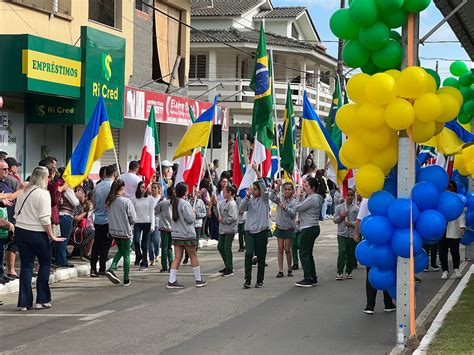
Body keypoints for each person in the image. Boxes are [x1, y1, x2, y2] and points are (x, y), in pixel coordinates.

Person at [14, 166, 65, 310]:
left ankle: (24, 302)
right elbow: (45, 219)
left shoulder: (23, 191)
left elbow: (16, 213)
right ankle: (42, 299)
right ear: (43, 178)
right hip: (37, 233)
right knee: (45, 263)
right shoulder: (43, 194)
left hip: (21, 231)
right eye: (48, 176)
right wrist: (52, 235)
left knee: (26, 265)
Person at [354, 198, 396, 314]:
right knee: (387, 270)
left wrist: (356, 234)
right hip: (385, 241)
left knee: (371, 273)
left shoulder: (366, 200)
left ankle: (370, 305)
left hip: (370, 241)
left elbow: (359, 220)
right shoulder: (388, 197)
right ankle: (388, 303)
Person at [166, 182, 207, 289]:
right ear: (185, 192)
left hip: (176, 234)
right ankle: (198, 280)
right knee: (193, 256)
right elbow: (190, 219)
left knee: (177, 257)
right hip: (187, 234)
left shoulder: (173, 202)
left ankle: (171, 280)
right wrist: (193, 212)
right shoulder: (185, 203)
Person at [240, 164, 271, 289]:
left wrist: (257, 171)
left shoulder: (264, 198)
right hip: (250, 231)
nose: (253, 191)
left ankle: (260, 280)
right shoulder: (250, 199)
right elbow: (241, 209)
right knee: (248, 254)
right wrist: (247, 196)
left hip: (262, 231)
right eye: (252, 189)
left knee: (261, 256)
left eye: (255, 189)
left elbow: (263, 187)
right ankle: (247, 280)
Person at [105, 179, 137, 286]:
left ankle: (112, 268)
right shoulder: (126, 201)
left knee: (121, 251)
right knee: (126, 254)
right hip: (125, 231)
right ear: (122, 188)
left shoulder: (109, 201)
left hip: (114, 230)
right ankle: (126, 278)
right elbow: (133, 218)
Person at [293, 177, 323, 287]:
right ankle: (312, 276)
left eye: (306, 187)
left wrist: (297, 196)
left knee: (303, 253)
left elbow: (297, 208)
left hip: (309, 227)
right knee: (308, 253)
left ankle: (308, 277)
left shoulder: (313, 198)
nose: (304, 188)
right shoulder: (312, 197)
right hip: (312, 226)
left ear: (313, 188)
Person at [91, 165, 115, 277]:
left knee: (96, 244)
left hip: (98, 218)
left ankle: (92, 268)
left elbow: (94, 203)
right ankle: (102, 268)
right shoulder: (112, 186)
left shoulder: (98, 186)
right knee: (105, 245)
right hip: (108, 219)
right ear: (114, 174)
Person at [270, 181, 297, 278]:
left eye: (289, 189)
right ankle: (280, 270)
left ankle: (289, 268)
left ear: (292, 191)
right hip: (280, 226)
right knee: (280, 249)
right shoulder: (280, 199)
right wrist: (275, 189)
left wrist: (285, 208)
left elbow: (293, 213)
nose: (287, 191)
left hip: (289, 227)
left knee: (287, 249)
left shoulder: (294, 201)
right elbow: (271, 197)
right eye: (285, 189)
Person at [440, 181, 465, 280]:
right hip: (441, 227)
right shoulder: (440, 198)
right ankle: (445, 270)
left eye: (450, 187)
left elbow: (461, 213)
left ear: (454, 188)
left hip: (453, 227)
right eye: (447, 187)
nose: (448, 189)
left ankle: (456, 269)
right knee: (442, 251)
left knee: (454, 250)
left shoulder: (457, 199)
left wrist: (462, 226)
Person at [333, 188, 359, 280]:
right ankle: (339, 272)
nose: (349, 197)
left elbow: (358, 222)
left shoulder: (356, 209)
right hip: (342, 234)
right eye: (348, 195)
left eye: (351, 195)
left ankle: (349, 271)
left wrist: (351, 224)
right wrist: (342, 215)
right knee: (342, 251)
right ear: (345, 196)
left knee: (350, 253)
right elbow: (335, 220)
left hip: (351, 235)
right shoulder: (339, 207)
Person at [56, 176, 81, 268]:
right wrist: (78, 197)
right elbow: (75, 202)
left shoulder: (59, 188)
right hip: (66, 216)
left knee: (59, 239)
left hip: (60, 215)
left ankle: (59, 259)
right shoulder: (68, 189)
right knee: (64, 239)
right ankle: (62, 260)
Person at [131, 181, 155, 270]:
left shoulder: (150, 199)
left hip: (147, 222)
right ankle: (139, 256)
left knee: (144, 244)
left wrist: (152, 225)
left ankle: (144, 263)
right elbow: (132, 212)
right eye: (141, 187)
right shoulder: (134, 199)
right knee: (136, 241)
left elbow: (152, 212)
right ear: (138, 188)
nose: (143, 189)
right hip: (137, 222)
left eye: (145, 187)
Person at [217, 185, 238, 277]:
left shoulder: (232, 204)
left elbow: (233, 217)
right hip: (223, 229)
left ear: (229, 193)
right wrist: (215, 206)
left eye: (225, 192)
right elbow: (219, 213)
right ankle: (227, 265)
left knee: (226, 247)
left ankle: (229, 268)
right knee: (220, 247)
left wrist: (223, 220)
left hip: (229, 229)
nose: (223, 193)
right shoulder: (224, 202)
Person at [184, 188, 207, 264]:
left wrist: (196, 214)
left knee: (195, 242)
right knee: (188, 242)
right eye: (194, 191)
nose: (196, 193)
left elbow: (204, 213)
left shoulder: (201, 202)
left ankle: (193, 257)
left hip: (197, 224)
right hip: (190, 224)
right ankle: (187, 256)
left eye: (197, 192)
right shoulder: (188, 202)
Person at [157, 186, 174, 273]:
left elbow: (156, 211)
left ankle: (164, 266)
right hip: (173, 228)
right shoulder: (177, 203)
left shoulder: (163, 203)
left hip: (164, 227)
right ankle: (171, 265)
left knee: (164, 247)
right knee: (170, 247)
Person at [148, 182, 161, 266]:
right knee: (149, 241)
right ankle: (151, 258)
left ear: (159, 190)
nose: (153, 189)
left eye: (155, 188)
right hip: (149, 221)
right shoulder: (148, 198)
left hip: (158, 222)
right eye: (152, 187)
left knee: (156, 240)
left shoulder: (161, 199)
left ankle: (157, 253)